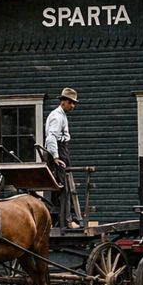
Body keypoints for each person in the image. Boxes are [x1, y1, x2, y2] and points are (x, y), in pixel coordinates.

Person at [45, 87, 81, 229]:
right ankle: (67, 221)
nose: (73, 106)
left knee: (62, 187)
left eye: (74, 103)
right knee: (64, 187)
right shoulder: (57, 116)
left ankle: (61, 219)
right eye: (71, 102)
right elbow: (51, 137)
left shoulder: (62, 115)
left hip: (62, 149)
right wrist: (55, 157)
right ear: (63, 102)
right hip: (59, 150)